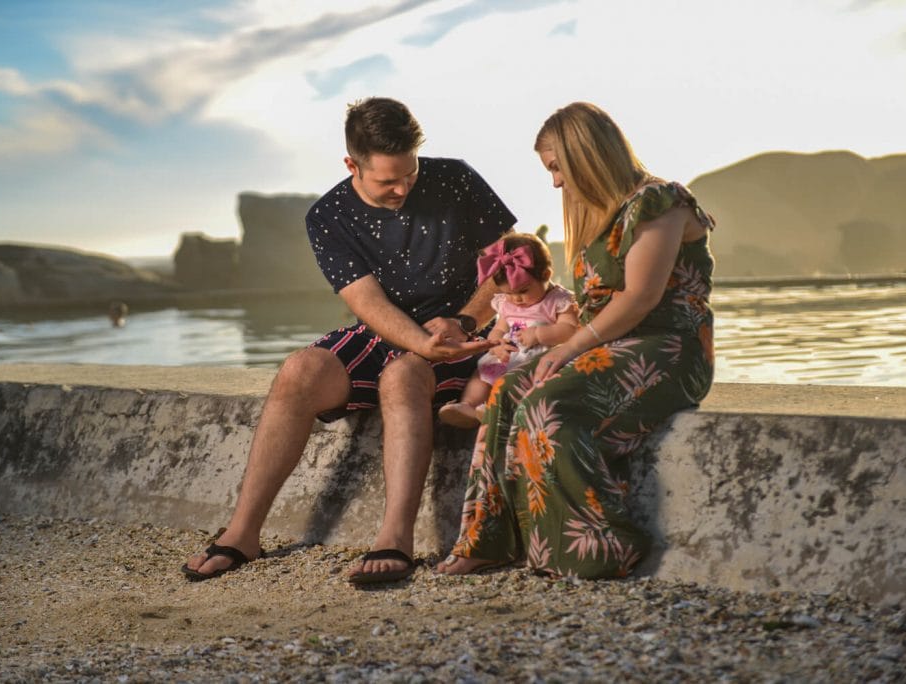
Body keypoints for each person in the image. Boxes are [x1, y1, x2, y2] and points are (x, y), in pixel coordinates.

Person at [182, 97, 516, 585]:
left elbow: (512, 263)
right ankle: (242, 532)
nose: (403, 188)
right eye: (388, 181)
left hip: (467, 330)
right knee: (299, 370)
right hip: (387, 327)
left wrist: (463, 322)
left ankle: (394, 537)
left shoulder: (457, 179)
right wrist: (420, 343)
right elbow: (369, 305)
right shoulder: (328, 216)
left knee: (403, 377)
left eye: (410, 174)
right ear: (351, 164)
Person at [437, 102, 716, 578]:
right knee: (507, 392)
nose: (556, 182)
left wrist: (566, 348)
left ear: (585, 154)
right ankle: (488, 539)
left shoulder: (660, 202)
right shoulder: (600, 217)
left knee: (549, 407)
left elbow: (640, 299)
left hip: (668, 350)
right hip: (608, 348)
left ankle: (600, 548)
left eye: (556, 167)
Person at [437, 232, 577, 429]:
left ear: (546, 275)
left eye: (523, 291)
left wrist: (539, 334)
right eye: (508, 293)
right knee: (482, 374)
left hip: (536, 359)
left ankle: (497, 410)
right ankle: (469, 406)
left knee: (521, 383)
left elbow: (570, 330)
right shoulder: (508, 304)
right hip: (508, 354)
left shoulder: (557, 300)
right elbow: (499, 329)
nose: (516, 300)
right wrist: (497, 344)